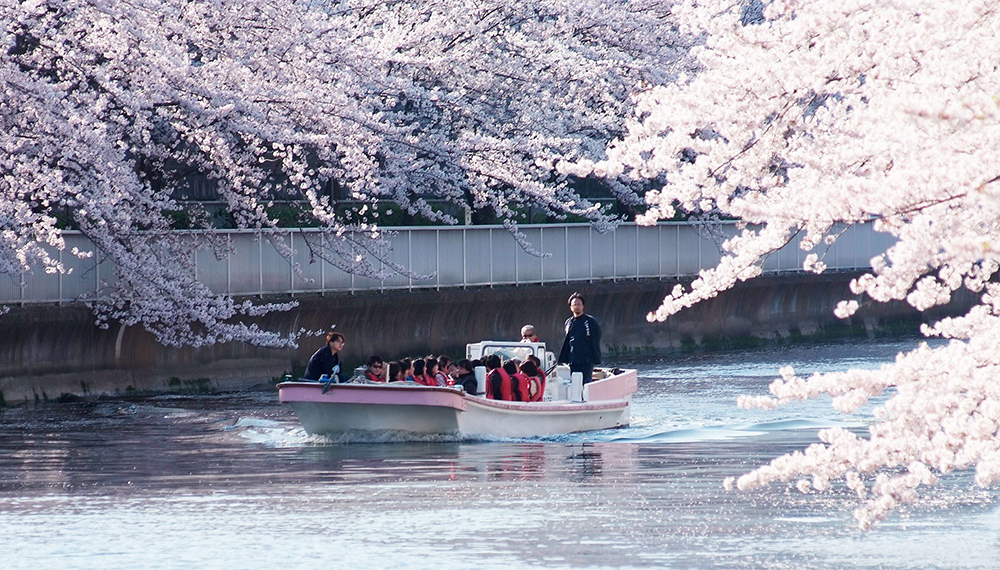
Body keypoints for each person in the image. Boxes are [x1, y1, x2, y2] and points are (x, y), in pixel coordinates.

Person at [557, 292, 601, 384]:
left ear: (583, 306)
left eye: (579, 304)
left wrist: (595, 357)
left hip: (587, 359)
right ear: (570, 307)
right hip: (573, 359)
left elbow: (596, 337)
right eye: (574, 304)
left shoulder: (590, 321)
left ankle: (586, 398)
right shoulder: (569, 322)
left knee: (586, 382)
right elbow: (568, 340)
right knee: (575, 383)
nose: (577, 306)